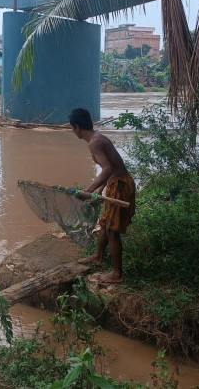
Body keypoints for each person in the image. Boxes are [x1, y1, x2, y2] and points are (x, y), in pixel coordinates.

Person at [69, 108, 136, 283]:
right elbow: (113, 165)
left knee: (112, 231)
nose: (72, 131)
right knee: (106, 222)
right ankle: (98, 256)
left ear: (77, 127)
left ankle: (117, 274)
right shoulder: (97, 138)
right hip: (115, 183)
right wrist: (101, 189)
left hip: (120, 186)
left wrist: (89, 190)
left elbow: (107, 169)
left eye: (72, 128)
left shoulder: (94, 143)